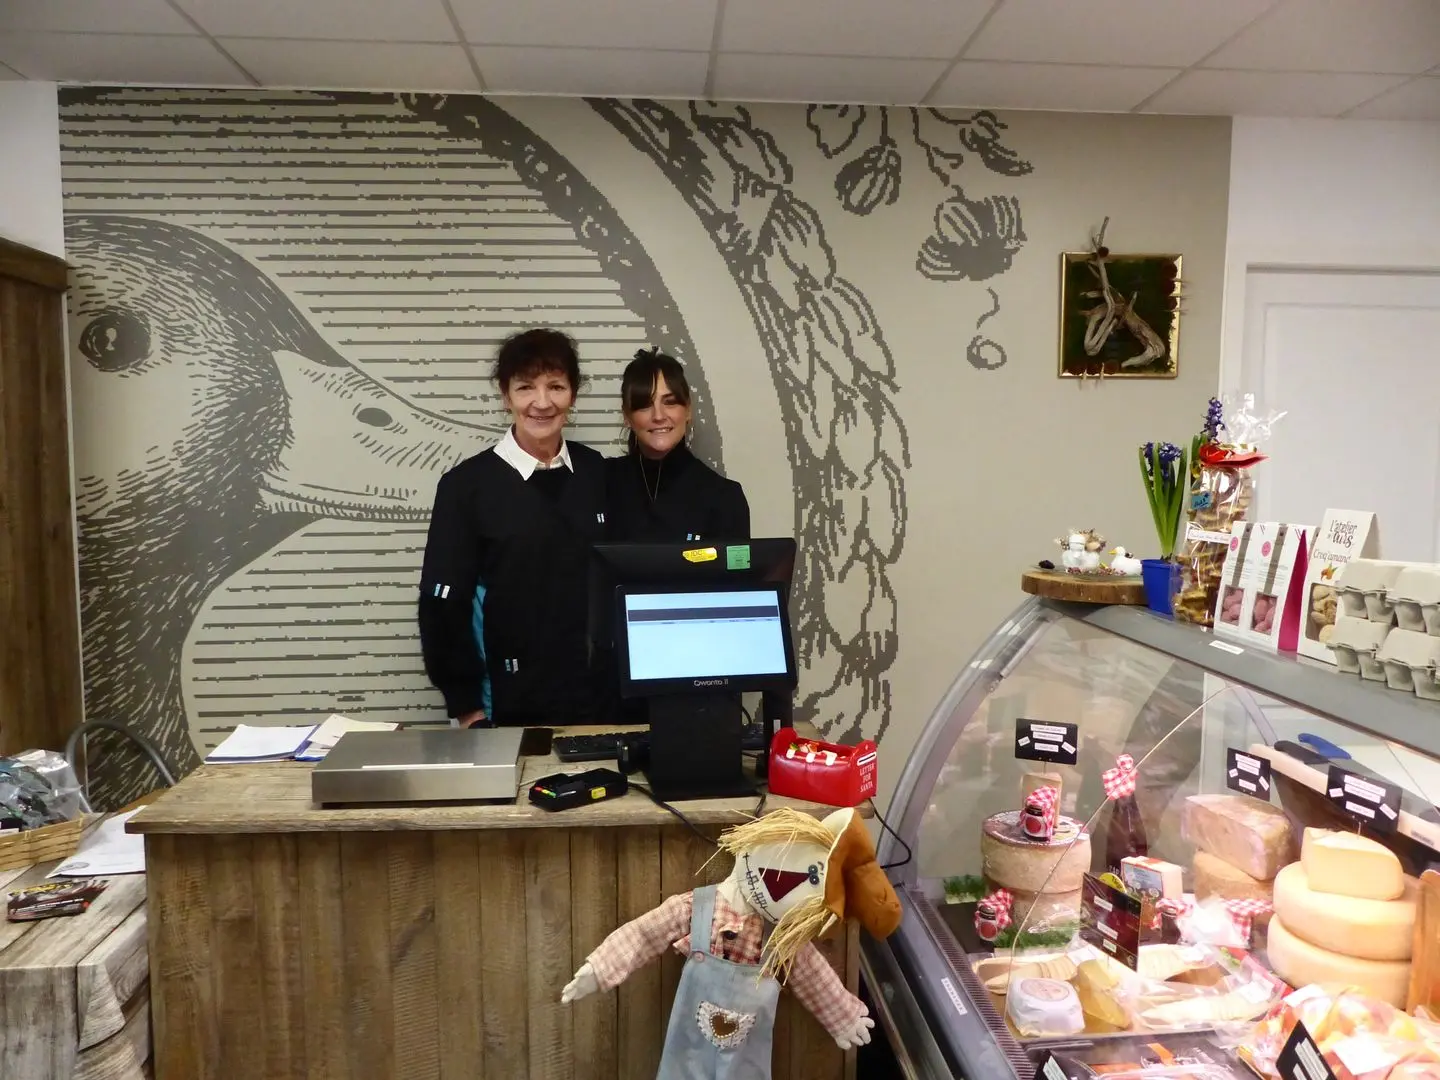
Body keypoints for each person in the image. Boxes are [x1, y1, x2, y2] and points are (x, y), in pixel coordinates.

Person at [417, 328, 607, 727]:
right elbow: (442, 606)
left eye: (556, 386)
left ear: (573, 394)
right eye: (525, 388)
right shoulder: (465, 486)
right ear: (506, 396)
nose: (542, 402)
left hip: (594, 703)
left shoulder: (597, 473)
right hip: (502, 707)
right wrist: (468, 708)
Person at [605, 347, 749, 543]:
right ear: (627, 416)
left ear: (688, 410)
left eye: (670, 402)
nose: (658, 416)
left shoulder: (723, 497)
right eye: (644, 405)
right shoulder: (601, 483)